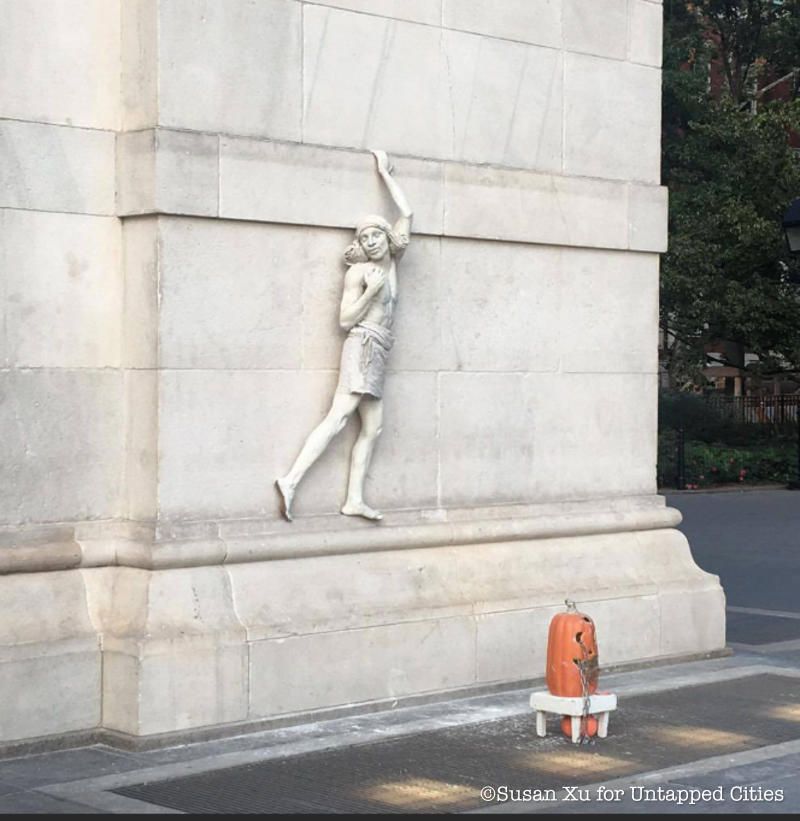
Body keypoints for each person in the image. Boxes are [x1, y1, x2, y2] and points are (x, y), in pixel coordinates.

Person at [276, 150, 413, 522]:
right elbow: (344, 319)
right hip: (362, 345)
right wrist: (369, 292)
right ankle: (290, 479)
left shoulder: (394, 262)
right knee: (338, 418)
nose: (369, 241)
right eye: (363, 237)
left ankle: (354, 499)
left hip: (380, 349)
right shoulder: (361, 274)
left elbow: (407, 214)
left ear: (386, 238)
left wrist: (385, 174)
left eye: (374, 235)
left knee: (373, 426)